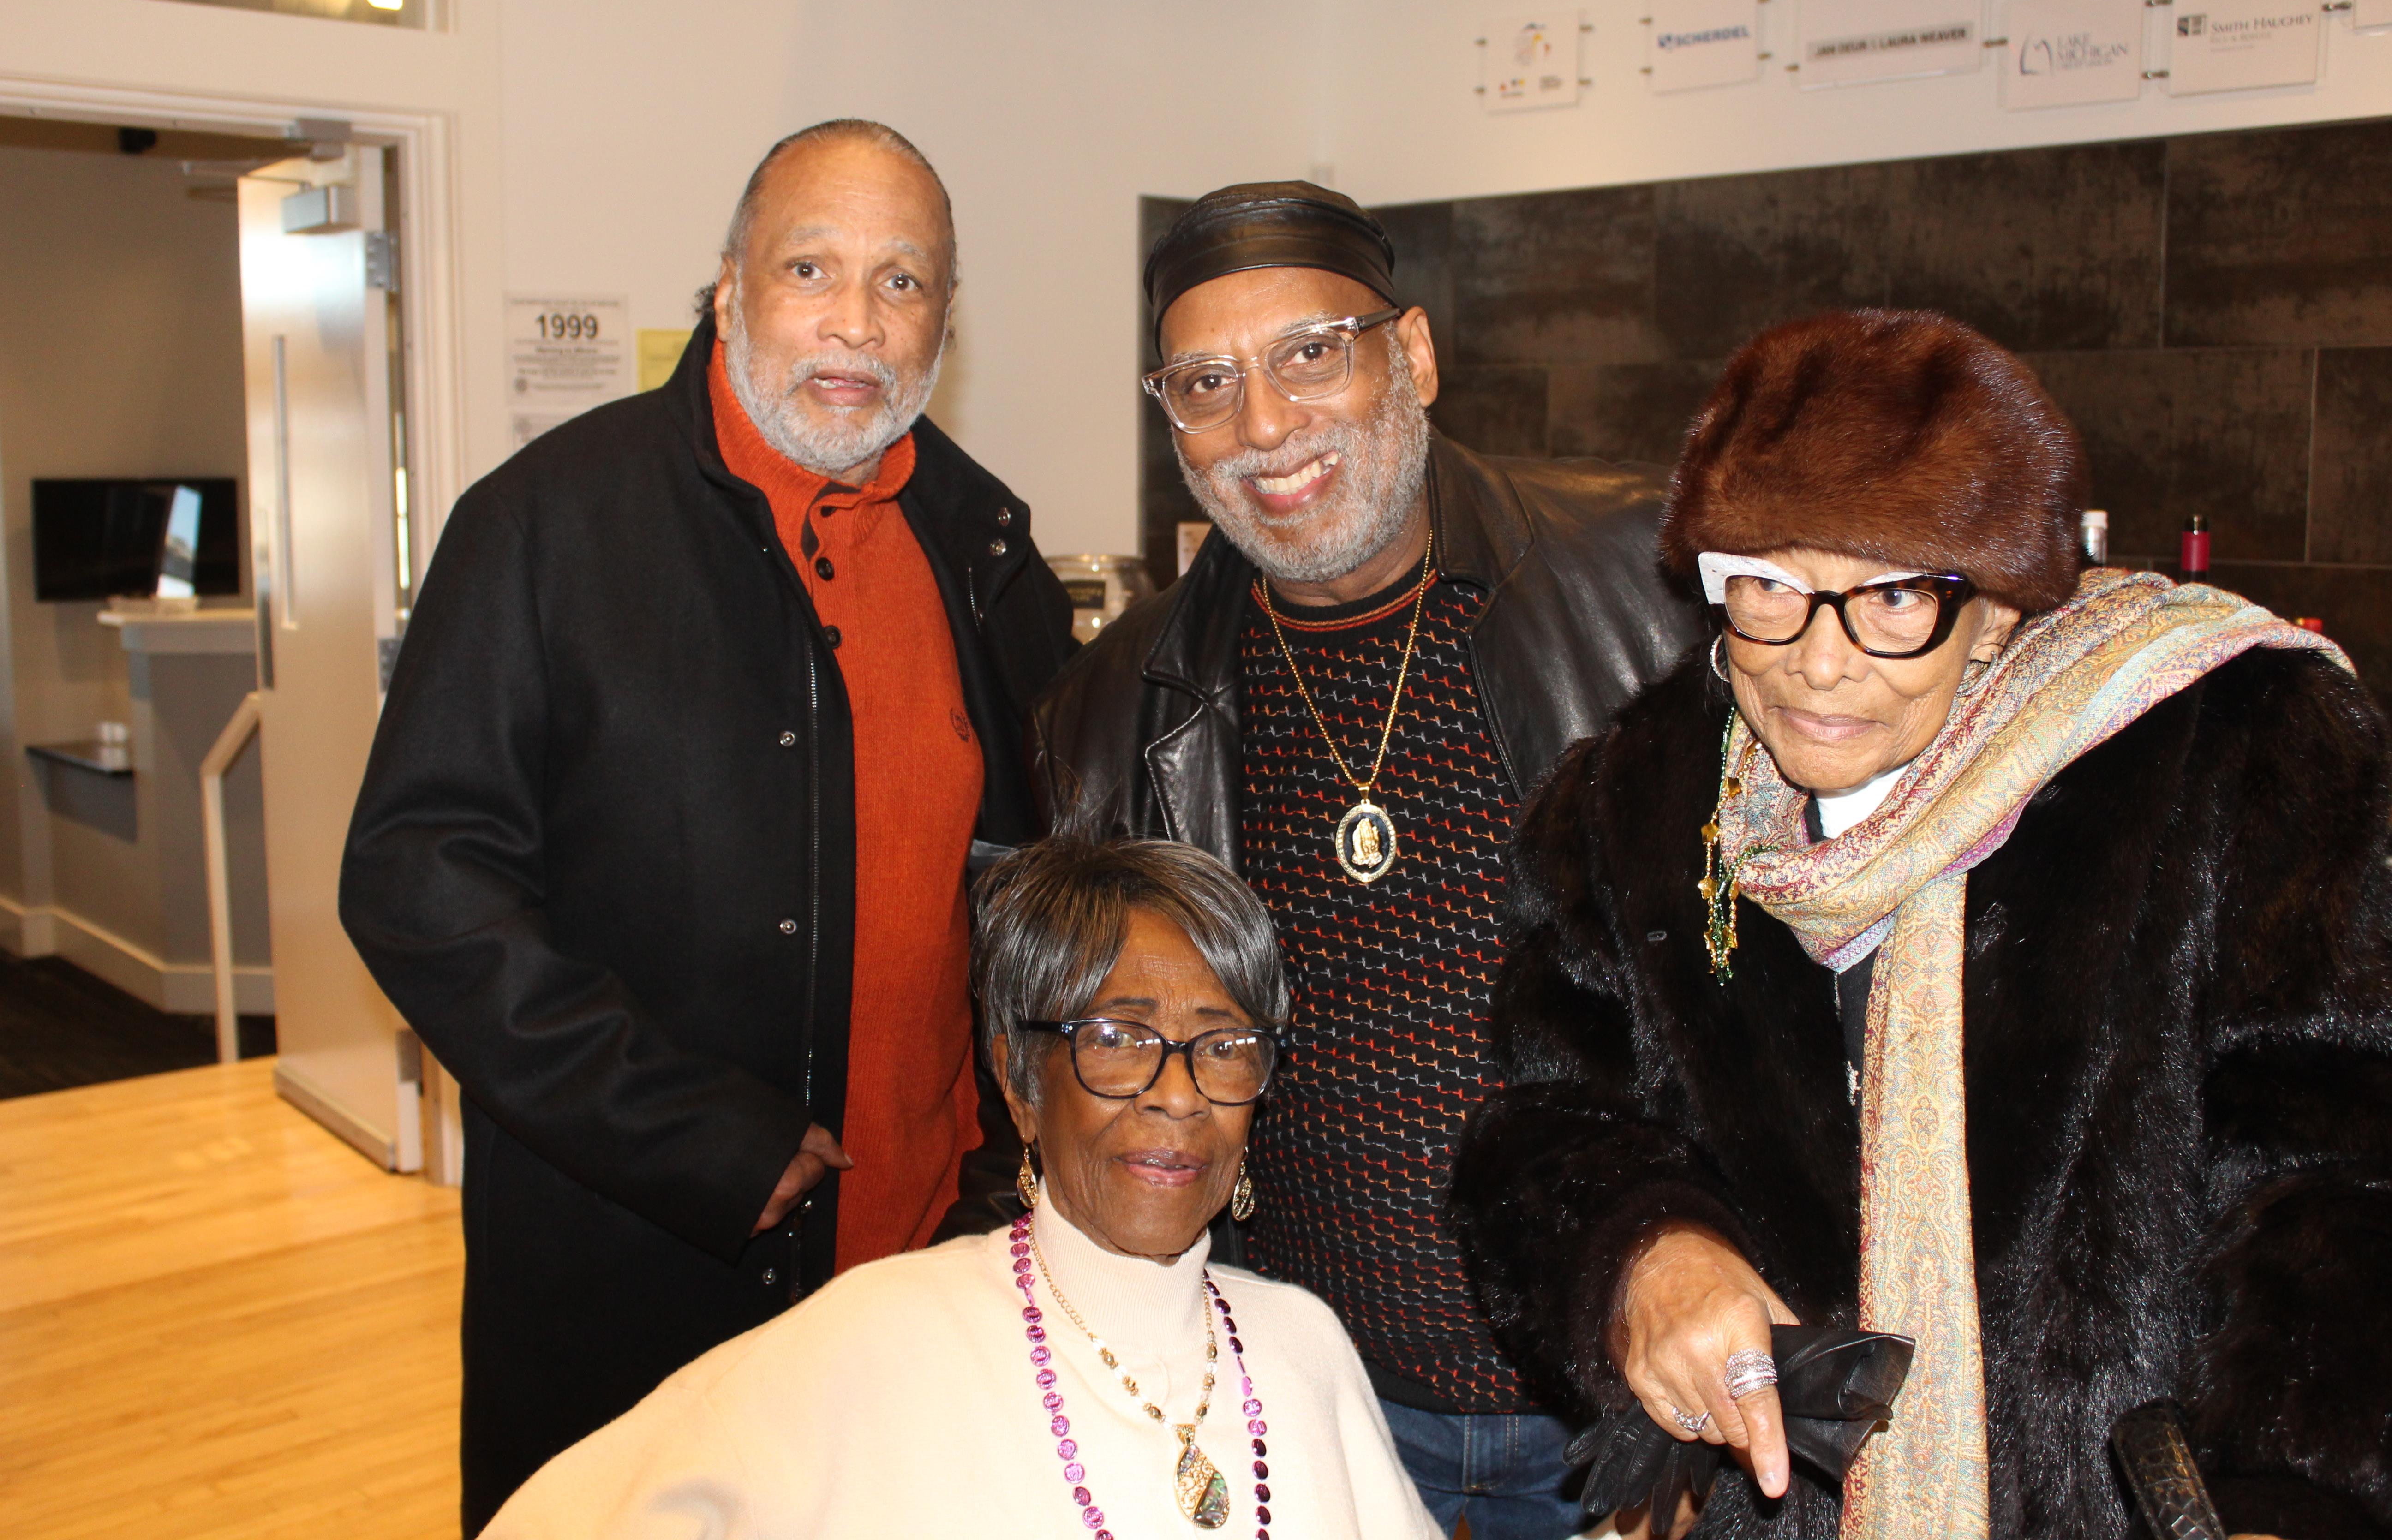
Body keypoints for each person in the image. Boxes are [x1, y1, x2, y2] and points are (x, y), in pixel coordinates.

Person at [1451, 309, 2392, 1540]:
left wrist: (2285, 1495)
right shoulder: (1645, 801)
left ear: (2003, 604)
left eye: (1894, 599)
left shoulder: (2229, 764)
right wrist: (1642, 1255)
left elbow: (2344, 1166)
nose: (1820, 661)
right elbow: (1549, 1123)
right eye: (1768, 592)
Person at [340, 119, 1075, 1530]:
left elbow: (1039, 891)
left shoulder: (985, 552)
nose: (856, 322)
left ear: (946, 320)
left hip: (940, 1268)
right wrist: (699, 1141)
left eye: (903, 281)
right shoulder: (546, 527)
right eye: (812, 268)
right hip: (649, 1261)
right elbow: (417, 879)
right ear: (730, 290)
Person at [1035, 180, 1703, 1537]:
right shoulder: (1121, 702)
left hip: (1615, 1397)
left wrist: (1695, 1407)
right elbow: (1086, 1069)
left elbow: (1793, 1003)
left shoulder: (1651, 587)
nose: (1264, 426)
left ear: (1415, 355)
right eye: (1205, 383)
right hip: (1304, 1394)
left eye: (1310, 356)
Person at [481, 836, 1445, 1540]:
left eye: (1224, 1048)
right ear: (1021, 1086)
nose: (1179, 1095)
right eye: (1117, 1040)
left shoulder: (1300, 1342)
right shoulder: (875, 1341)